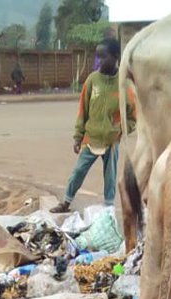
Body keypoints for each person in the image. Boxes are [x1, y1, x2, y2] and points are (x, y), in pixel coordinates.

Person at [51, 38, 135, 213]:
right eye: (98, 57)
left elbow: (133, 115)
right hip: (91, 138)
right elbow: (83, 110)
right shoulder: (92, 80)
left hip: (111, 141)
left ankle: (108, 208)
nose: (99, 61)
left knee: (110, 177)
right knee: (78, 171)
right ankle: (65, 202)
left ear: (116, 57)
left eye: (103, 57)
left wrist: (120, 130)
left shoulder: (124, 84)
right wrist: (77, 137)